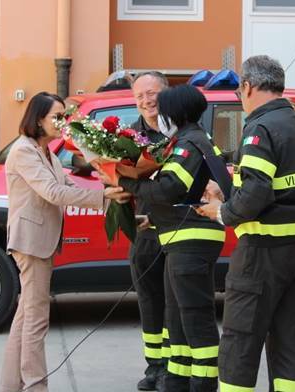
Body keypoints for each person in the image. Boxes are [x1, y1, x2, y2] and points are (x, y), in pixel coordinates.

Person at [197, 55, 295, 392]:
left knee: (241, 340)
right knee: (289, 341)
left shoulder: (260, 127)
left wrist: (223, 213)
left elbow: (255, 193)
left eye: (240, 90)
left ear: (248, 86)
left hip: (261, 254)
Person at [101, 84, 227, 392]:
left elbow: (169, 189)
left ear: (176, 113)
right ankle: (178, 378)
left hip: (190, 237)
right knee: (177, 312)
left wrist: (124, 183)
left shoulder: (188, 144)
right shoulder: (190, 139)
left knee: (195, 315)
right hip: (178, 237)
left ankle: (204, 381)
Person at [0, 92, 127, 392]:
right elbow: (54, 193)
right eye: (56, 116)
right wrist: (103, 196)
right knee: (36, 321)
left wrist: (111, 189)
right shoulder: (24, 152)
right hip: (30, 243)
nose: (62, 122)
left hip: (42, 241)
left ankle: (10, 385)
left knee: (25, 317)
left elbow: (71, 186)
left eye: (63, 116)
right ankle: (35, 386)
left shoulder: (48, 153)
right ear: (37, 119)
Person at [128, 71, 171, 391]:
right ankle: (154, 366)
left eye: (152, 93)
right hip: (144, 233)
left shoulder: (181, 131)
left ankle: (174, 367)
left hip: (178, 231)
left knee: (175, 302)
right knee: (149, 302)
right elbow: (119, 178)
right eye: (140, 96)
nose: (146, 100)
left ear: (166, 93)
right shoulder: (128, 138)